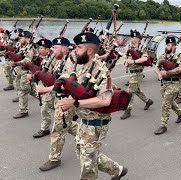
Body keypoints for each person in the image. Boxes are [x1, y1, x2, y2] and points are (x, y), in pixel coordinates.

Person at [58, 32, 127, 179]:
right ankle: (117, 170)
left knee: (87, 167)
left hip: (95, 124)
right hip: (83, 121)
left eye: (79, 47)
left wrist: (74, 103)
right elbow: (76, 90)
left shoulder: (102, 71)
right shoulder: (80, 68)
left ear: (89, 51)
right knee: (83, 153)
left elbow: (105, 100)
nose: (75, 50)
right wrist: (66, 104)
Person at [38, 37, 78, 171]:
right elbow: (55, 78)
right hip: (59, 98)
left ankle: (54, 159)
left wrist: (45, 90)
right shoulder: (60, 61)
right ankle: (86, 135)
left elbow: (64, 84)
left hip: (65, 100)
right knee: (67, 125)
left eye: (56, 48)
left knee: (57, 131)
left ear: (65, 48)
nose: (53, 50)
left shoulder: (70, 63)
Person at [154, 36, 181, 135]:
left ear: (174, 46)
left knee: (165, 103)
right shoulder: (162, 56)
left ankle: (163, 125)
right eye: (167, 45)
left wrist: (167, 73)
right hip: (165, 83)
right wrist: (159, 73)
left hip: (175, 83)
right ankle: (180, 113)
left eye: (169, 45)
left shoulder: (179, 55)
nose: (167, 47)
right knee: (169, 101)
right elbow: (156, 66)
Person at [120, 29, 154, 119]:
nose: (133, 39)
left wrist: (133, 61)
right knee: (136, 90)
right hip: (131, 71)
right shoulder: (129, 45)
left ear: (139, 39)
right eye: (132, 37)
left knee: (130, 91)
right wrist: (126, 61)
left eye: (135, 37)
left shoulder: (142, 47)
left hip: (138, 72)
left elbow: (145, 59)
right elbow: (125, 56)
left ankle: (128, 110)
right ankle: (148, 101)